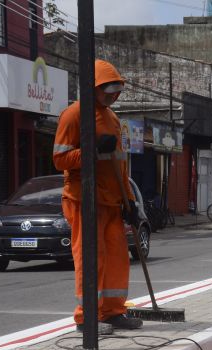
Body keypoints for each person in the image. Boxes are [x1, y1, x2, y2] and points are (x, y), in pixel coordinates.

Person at [53, 59, 142, 335]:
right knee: (92, 259)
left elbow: (119, 165)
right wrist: (90, 149)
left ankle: (113, 312)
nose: (114, 96)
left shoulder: (113, 118)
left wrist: (130, 202)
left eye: (118, 91)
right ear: (93, 88)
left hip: (113, 202)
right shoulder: (74, 115)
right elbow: (59, 159)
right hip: (85, 200)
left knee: (117, 258)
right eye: (109, 91)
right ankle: (87, 317)